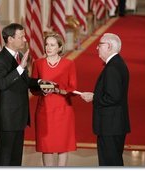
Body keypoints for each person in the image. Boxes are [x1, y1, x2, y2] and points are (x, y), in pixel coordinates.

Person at [0, 23, 52, 166]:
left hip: (19, 117)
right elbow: (2, 84)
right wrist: (20, 68)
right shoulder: (0, 60)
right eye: (21, 37)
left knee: (15, 159)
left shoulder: (18, 56)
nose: (25, 40)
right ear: (10, 39)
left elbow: (25, 81)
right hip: (7, 119)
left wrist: (41, 83)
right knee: (4, 160)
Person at [80, 33, 130, 166]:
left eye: (100, 45)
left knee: (110, 163)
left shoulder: (112, 68)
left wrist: (93, 97)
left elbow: (113, 97)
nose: (97, 48)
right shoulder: (116, 63)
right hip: (114, 125)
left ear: (109, 46)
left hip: (110, 126)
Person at [31, 32, 77, 166]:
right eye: (46, 44)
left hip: (63, 110)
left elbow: (72, 89)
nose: (48, 47)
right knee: (47, 147)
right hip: (44, 111)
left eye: (52, 45)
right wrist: (41, 91)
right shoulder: (38, 63)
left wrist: (57, 90)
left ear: (60, 48)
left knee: (63, 145)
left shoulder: (69, 64)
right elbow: (33, 88)